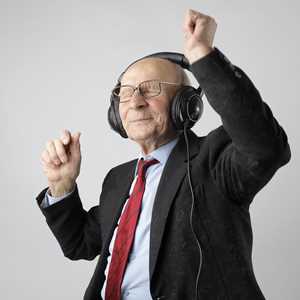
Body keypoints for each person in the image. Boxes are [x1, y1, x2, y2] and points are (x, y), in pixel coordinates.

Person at [36, 9, 291, 300]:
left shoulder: (214, 159)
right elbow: (80, 244)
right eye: (126, 92)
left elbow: (266, 149)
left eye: (151, 89)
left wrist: (203, 57)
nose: (135, 102)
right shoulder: (118, 179)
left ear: (186, 105)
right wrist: (62, 185)